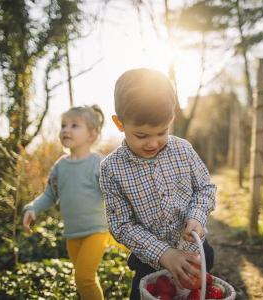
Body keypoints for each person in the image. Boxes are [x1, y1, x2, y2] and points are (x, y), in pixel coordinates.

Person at [99, 68, 216, 300]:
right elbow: (121, 224)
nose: (153, 143)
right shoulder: (111, 169)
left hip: (195, 256)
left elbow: (206, 188)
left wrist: (197, 216)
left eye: (162, 132)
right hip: (149, 264)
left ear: (171, 119)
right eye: (141, 135)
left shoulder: (183, 150)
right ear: (119, 123)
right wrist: (164, 254)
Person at [23, 105, 112, 300]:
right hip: (73, 234)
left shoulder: (98, 163)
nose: (66, 130)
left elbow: (114, 192)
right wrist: (33, 208)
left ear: (91, 134)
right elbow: (50, 194)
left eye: (74, 125)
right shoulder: (60, 166)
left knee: (84, 278)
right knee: (82, 281)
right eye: (63, 125)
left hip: (97, 231)